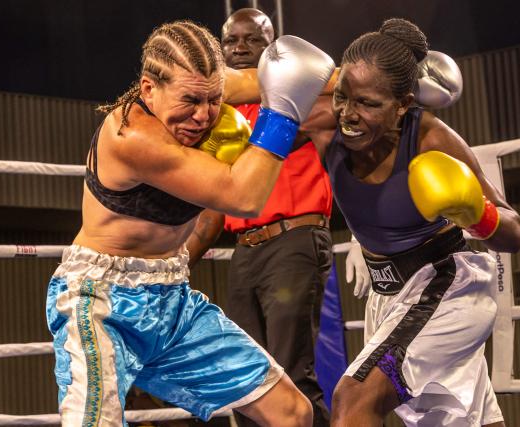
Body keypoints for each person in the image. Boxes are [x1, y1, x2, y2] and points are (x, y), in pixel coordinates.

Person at [45, 20, 335, 427]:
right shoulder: (131, 136)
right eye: (190, 101)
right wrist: (284, 113)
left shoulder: (201, 86)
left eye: (214, 99)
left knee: (292, 411)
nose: (203, 116)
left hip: (173, 298)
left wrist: (374, 82)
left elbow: (285, 79)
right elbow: (244, 197)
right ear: (148, 89)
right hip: (101, 302)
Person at [290, 18, 520, 426]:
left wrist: (475, 212)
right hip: (388, 297)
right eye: (343, 97)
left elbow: (513, 233)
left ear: (403, 105)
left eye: (368, 104)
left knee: (353, 398)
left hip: (445, 286)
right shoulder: (325, 125)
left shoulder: (430, 139)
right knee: (456, 421)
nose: (349, 114)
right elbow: (253, 144)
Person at [185, 9, 334, 427]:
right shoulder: (217, 117)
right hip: (245, 253)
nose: (239, 48)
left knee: (292, 373)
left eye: (251, 39)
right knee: (247, 381)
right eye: (231, 41)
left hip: (293, 242)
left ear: (271, 44)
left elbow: (340, 109)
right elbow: (215, 206)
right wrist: (175, 264)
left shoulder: (296, 96)